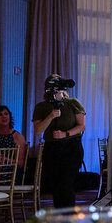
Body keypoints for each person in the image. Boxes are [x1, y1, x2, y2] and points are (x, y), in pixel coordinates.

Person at [31, 74, 86, 209]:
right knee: (56, 186)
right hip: (52, 149)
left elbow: (82, 126)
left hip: (71, 148)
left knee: (67, 184)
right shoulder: (41, 107)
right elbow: (37, 131)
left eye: (58, 84)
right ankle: (59, 217)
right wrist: (50, 116)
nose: (56, 87)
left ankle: (69, 219)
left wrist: (65, 134)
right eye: (53, 84)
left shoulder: (73, 103)